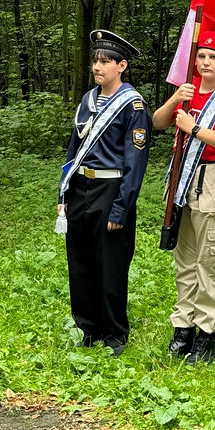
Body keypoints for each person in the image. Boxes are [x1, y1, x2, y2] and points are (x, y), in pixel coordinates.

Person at [153, 31, 215, 365]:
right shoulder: (188, 92)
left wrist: (194, 128)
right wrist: (175, 99)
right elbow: (158, 123)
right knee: (186, 260)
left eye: (213, 57)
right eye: (202, 56)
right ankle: (183, 327)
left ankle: (207, 334)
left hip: (213, 179)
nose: (206, 62)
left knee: (208, 261)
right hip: (182, 179)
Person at [58, 30, 150, 356]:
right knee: (80, 260)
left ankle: (114, 334)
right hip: (81, 188)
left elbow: (135, 163)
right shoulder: (87, 100)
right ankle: (87, 328)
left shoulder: (132, 105)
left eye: (106, 61)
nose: (97, 66)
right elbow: (74, 149)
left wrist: (121, 207)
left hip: (111, 189)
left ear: (121, 65)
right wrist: (63, 194)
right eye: (96, 60)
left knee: (111, 264)